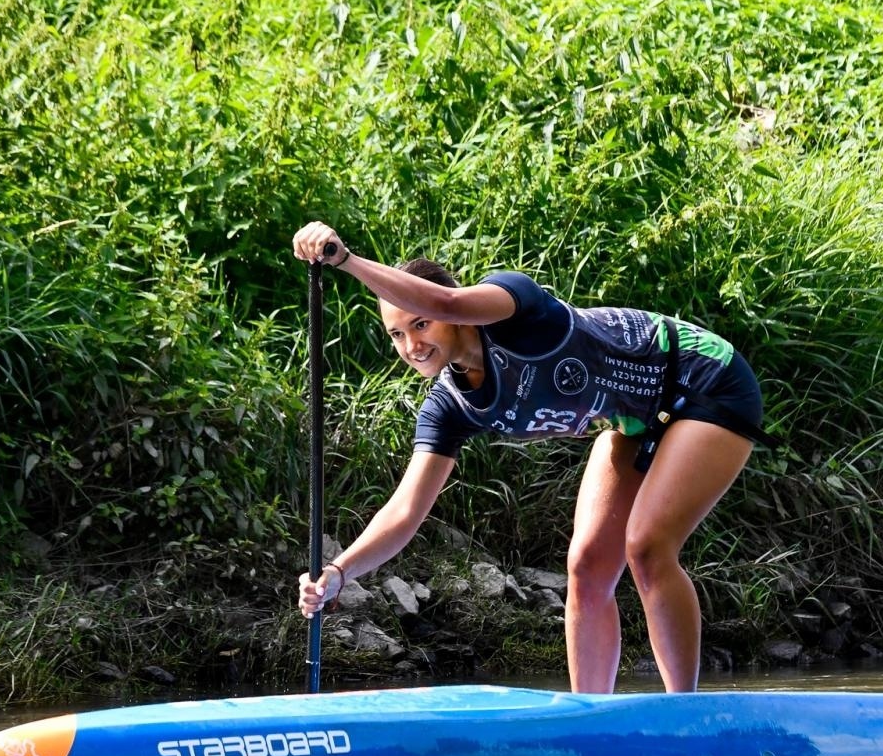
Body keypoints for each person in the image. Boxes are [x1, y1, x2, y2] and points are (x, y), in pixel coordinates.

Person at [291, 221, 770, 693]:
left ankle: (685, 714)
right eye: (397, 335)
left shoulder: (512, 304)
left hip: (705, 381)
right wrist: (338, 572)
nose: (412, 346)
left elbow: (446, 299)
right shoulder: (448, 407)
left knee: (645, 547)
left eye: (420, 324)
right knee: (585, 567)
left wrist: (346, 261)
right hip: (635, 419)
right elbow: (405, 511)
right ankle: (585, 724)